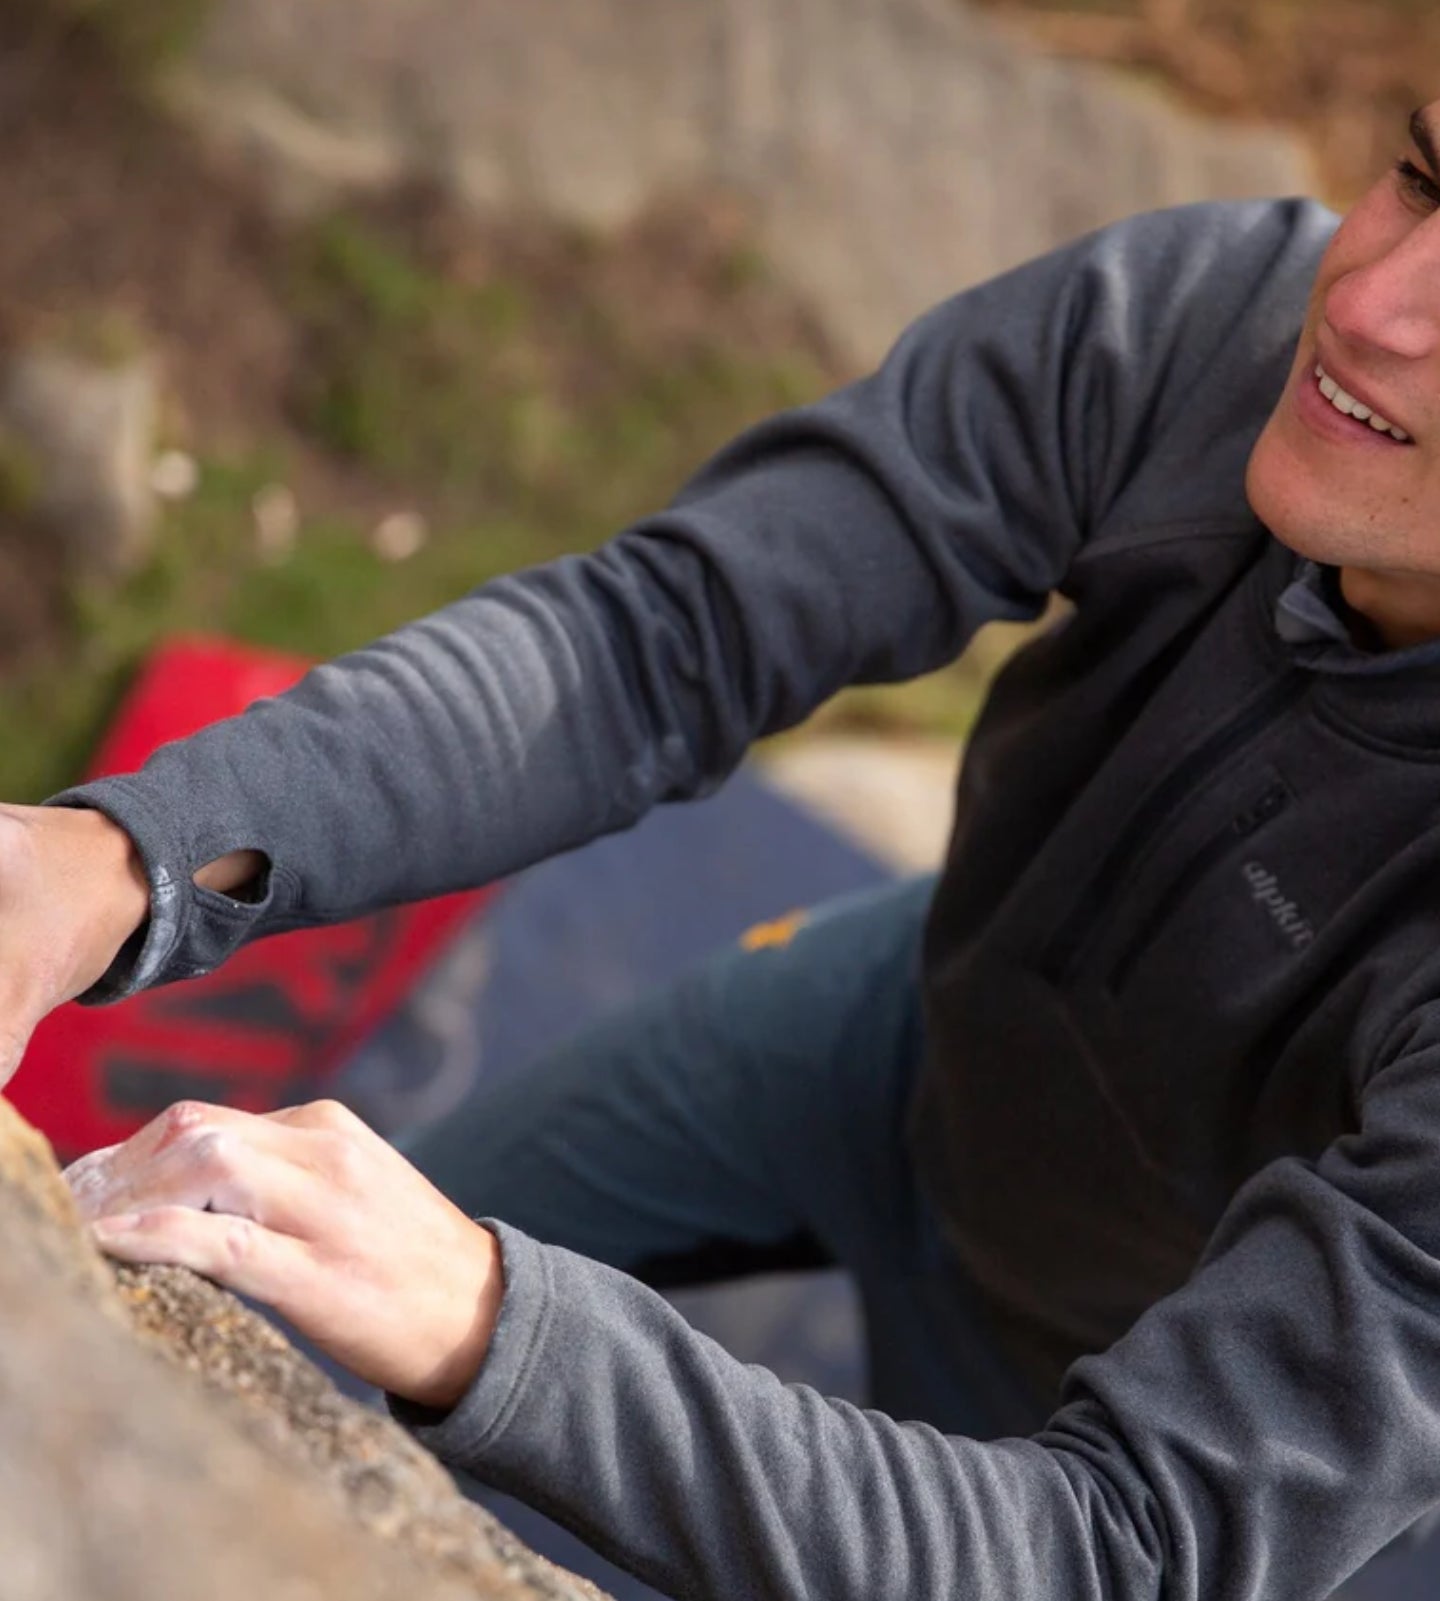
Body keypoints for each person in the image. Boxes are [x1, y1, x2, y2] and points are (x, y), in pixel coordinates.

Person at [11, 98, 1440, 1601]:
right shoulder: (1213, 327)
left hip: (1156, 1393)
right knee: (293, 1284)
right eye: (1418, 174)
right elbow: (663, 642)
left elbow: (1115, 1545)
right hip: (897, 1034)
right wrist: (119, 859)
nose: (1363, 304)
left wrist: (495, 1325)